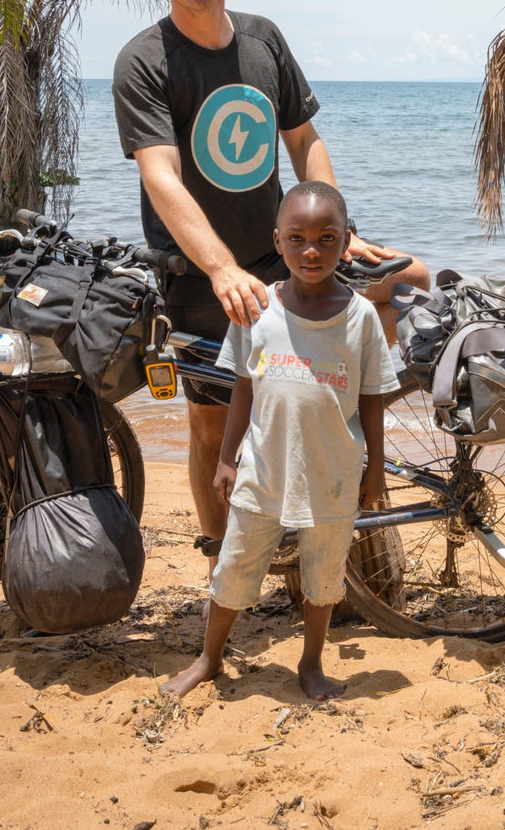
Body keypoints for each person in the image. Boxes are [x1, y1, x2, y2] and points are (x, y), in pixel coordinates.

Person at [112, 0, 427, 567]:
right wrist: (223, 269)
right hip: (199, 273)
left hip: (289, 254)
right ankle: (228, 562)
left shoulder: (264, 39)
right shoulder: (144, 60)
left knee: (408, 282)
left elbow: (304, 140)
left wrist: (340, 227)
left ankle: (338, 422)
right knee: (208, 424)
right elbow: (162, 176)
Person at [160, 181, 396, 701]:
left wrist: (375, 467)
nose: (311, 250)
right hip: (263, 467)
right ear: (278, 240)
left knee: (323, 572)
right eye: (297, 238)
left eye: (326, 238)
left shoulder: (360, 318)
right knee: (235, 566)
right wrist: (226, 459)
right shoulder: (258, 309)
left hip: (334, 470)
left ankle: (310, 663)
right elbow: (244, 385)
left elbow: (374, 397)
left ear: (345, 241)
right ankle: (210, 657)